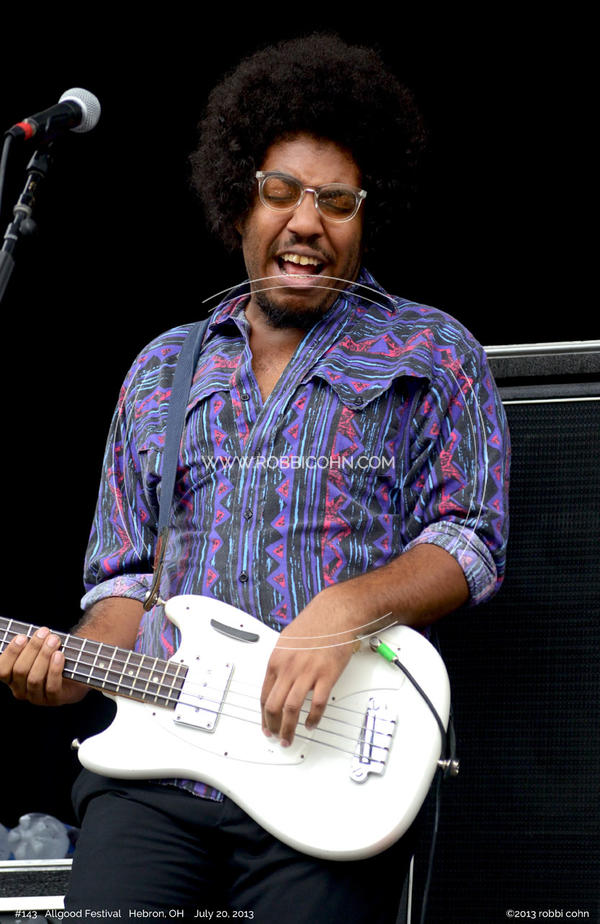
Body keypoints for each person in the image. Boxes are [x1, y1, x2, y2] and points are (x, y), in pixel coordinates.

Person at [0, 34, 509, 922]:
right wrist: (68, 667)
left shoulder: (432, 351)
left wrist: (347, 609)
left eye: (336, 201)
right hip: (156, 780)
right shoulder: (163, 369)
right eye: (281, 192)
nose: (306, 222)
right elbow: (123, 583)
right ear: (239, 201)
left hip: (326, 772)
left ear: (366, 217)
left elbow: (472, 537)